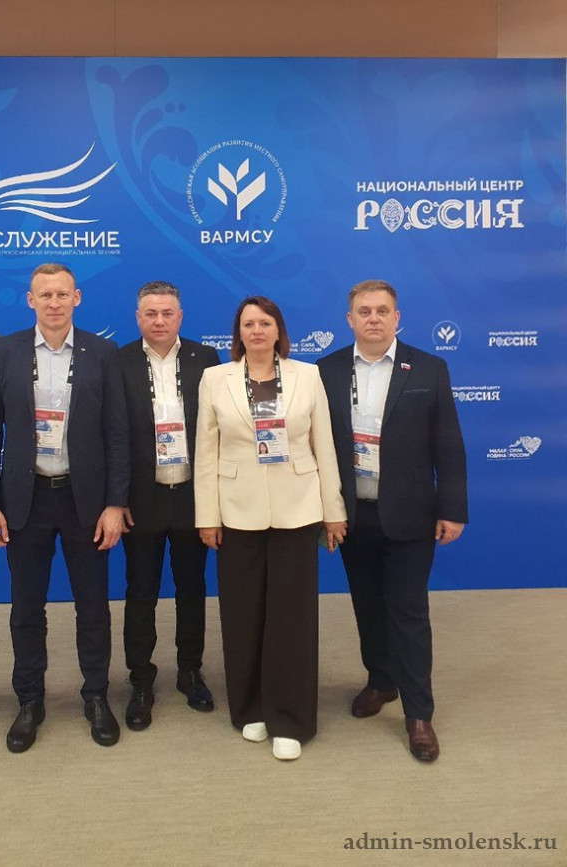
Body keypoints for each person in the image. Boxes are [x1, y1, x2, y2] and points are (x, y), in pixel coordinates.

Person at [0, 263, 130, 751]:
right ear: (30, 300)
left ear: (77, 298)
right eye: (45, 295)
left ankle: (96, 696)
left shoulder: (102, 353)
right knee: (26, 609)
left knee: (93, 607)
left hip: (86, 502)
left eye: (63, 294)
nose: (54, 302)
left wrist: (115, 503)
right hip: (26, 501)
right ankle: (29, 701)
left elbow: (117, 435)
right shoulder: (4, 352)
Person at [317, 279, 468, 763]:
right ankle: (381, 681)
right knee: (368, 606)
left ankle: (419, 713)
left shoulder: (428, 368)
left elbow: (449, 445)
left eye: (383, 310)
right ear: (349, 320)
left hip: (410, 515)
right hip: (352, 514)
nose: (374, 318)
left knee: (408, 612)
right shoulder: (326, 370)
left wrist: (452, 508)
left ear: (397, 318)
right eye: (364, 311)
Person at [194, 296, 346, 761]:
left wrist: (333, 510)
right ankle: (251, 708)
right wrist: (206, 516)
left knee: (291, 618)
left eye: (265, 323)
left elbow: (324, 445)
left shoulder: (308, 375)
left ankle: (291, 719)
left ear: (279, 330)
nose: (256, 330)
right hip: (235, 511)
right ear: (238, 333)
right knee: (243, 615)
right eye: (248, 324)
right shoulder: (215, 379)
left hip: (298, 509)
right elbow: (206, 452)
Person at [118, 281, 220, 730]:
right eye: (150, 313)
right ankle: (141, 680)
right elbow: (112, 436)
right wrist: (116, 499)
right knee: (140, 593)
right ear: (138, 318)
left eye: (167, 313)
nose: (159, 321)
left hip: (192, 496)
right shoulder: (119, 361)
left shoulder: (206, 359)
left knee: (191, 589)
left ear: (180, 316)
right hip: (142, 498)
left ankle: (190, 672)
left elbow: (219, 431)